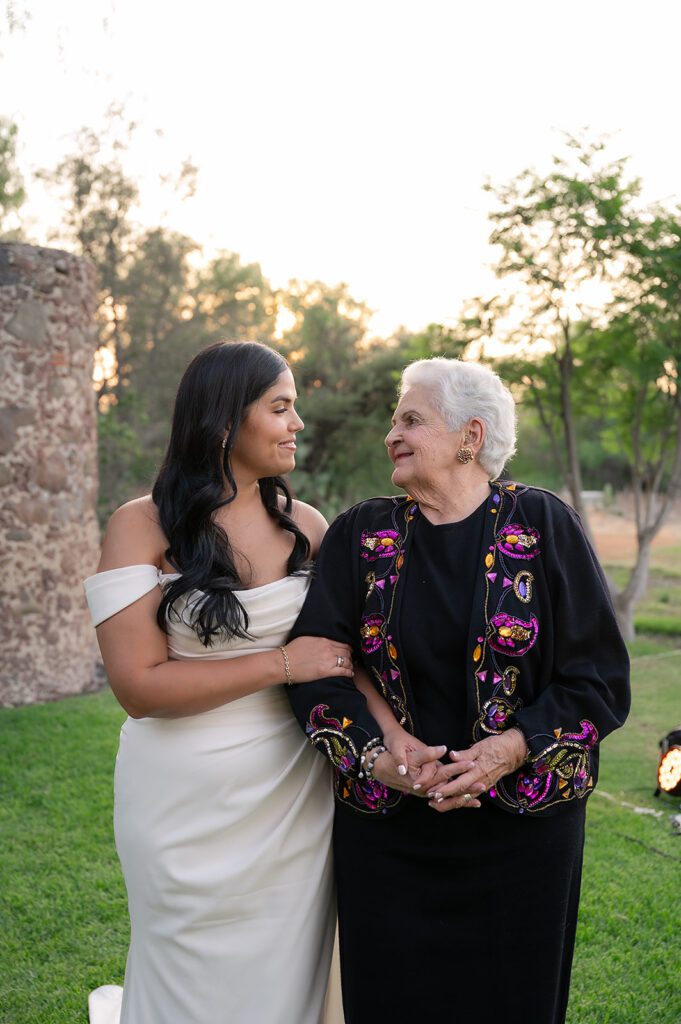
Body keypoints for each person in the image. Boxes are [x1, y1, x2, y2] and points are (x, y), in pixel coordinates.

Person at [287, 356, 631, 1024]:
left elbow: (597, 681)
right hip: (388, 835)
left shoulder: (542, 525)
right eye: (394, 420)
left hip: (521, 837)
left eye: (410, 419)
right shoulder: (362, 533)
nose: (392, 433)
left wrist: (507, 749)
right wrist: (375, 757)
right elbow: (317, 668)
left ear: (470, 438)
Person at [83, 341, 352, 1024]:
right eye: (281, 407)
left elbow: (354, 656)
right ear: (224, 422)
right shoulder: (140, 525)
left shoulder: (309, 529)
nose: (297, 424)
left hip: (291, 793)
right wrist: (280, 665)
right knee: (185, 969)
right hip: (180, 794)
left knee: (283, 969)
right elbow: (138, 689)